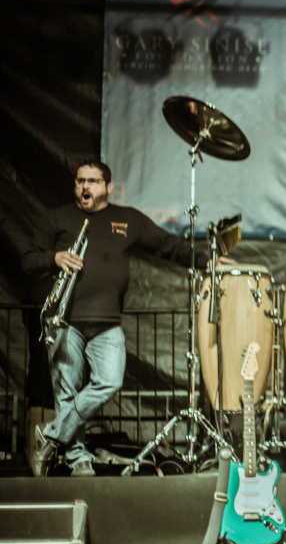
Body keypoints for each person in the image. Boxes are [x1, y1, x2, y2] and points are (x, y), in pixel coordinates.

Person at [22, 160, 210, 477]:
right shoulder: (57, 218)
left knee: (110, 380)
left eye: (93, 181)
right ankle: (78, 459)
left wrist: (207, 261)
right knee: (67, 392)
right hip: (65, 320)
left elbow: (168, 246)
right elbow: (27, 261)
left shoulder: (127, 219)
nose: (85, 187)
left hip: (107, 321)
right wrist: (55, 257)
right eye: (80, 181)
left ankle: (52, 434)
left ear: (108, 186)